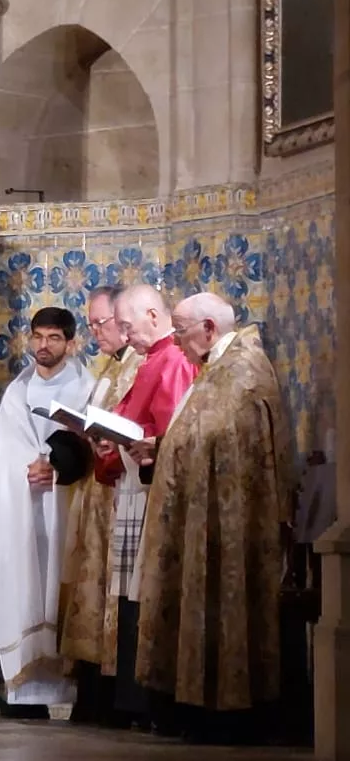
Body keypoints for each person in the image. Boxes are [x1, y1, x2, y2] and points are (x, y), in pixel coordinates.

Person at [131, 293, 288, 744]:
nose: (176, 341)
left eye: (179, 331)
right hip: (204, 509)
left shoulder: (242, 373)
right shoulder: (216, 370)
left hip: (228, 521)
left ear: (207, 329)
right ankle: (192, 707)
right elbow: (198, 435)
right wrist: (163, 448)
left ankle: (225, 712)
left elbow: (224, 440)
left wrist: (167, 449)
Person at [0, 307, 96, 715]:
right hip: (21, 510)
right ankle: (25, 696)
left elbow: (91, 447)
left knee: (60, 587)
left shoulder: (89, 388)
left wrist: (56, 471)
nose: (44, 345)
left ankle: (70, 693)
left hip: (66, 507)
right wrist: (26, 471)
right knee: (24, 585)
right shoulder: (17, 392)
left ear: (71, 342)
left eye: (54, 337)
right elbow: (4, 454)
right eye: (37, 337)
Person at [94, 283, 197, 730]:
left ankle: (152, 704)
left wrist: (138, 444)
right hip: (133, 486)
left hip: (150, 491)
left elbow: (170, 430)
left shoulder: (172, 359)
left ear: (154, 317)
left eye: (128, 327)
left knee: (145, 596)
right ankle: (137, 702)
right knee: (131, 595)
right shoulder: (150, 360)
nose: (125, 336)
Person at [59, 286, 146, 727]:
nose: (96, 333)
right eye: (91, 324)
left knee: (113, 600)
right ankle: (93, 692)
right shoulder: (110, 367)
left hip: (122, 498)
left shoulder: (142, 365)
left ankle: (112, 697)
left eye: (102, 323)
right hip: (98, 494)